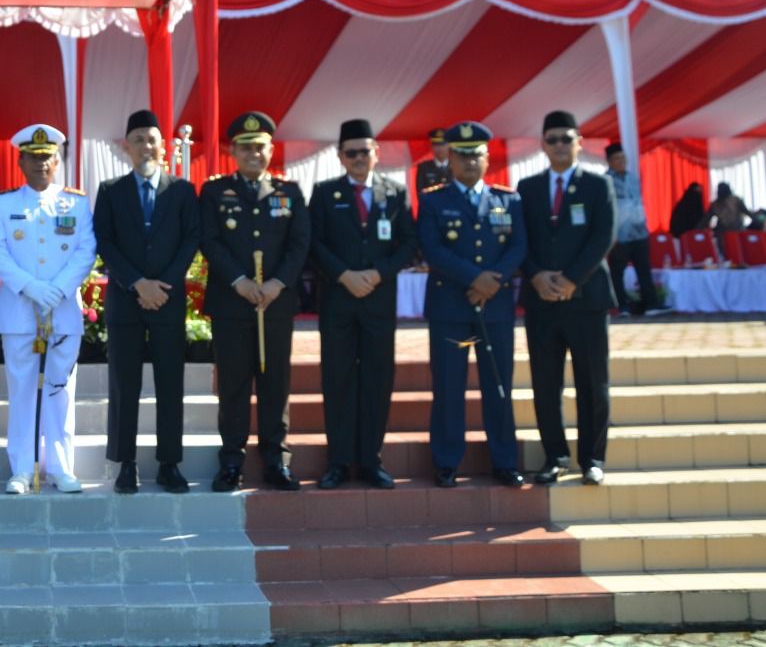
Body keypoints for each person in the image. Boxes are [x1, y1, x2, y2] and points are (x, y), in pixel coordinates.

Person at [199, 112, 311, 493]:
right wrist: (240, 281)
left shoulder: (288, 193)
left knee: (275, 383)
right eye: (245, 147)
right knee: (232, 385)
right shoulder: (214, 192)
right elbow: (210, 240)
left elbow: (300, 244)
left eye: (259, 147)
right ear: (233, 151)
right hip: (232, 304)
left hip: (275, 304)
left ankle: (277, 460)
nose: (253, 153)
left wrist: (278, 283)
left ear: (270, 150)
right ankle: (231, 461)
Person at [0, 123, 96, 494]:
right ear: (21, 161)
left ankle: (61, 467)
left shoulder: (76, 203)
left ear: (57, 161)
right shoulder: (4, 203)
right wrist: (31, 287)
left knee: (60, 390)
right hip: (19, 312)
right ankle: (22, 467)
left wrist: (59, 289)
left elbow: (85, 251)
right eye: (33, 157)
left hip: (62, 312)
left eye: (47, 157)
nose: (41, 164)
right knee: (22, 391)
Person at [307, 119, 418, 490]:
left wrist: (377, 273)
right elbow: (315, 243)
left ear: (376, 153)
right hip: (338, 302)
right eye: (351, 152)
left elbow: (408, 244)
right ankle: (337, 461)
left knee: (376, 380)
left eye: (364, 151)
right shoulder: (324, 193)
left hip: (378, 302)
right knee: (337, 380)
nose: (358, 158)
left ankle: (371, 460)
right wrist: (344, 275)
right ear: (340, 157)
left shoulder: (395, 192)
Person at [93, 110, 199, 494]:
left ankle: (169, 463)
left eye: (152, 139)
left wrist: (163, 285)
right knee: (125, 384)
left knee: (170, 383)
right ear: (127, 146)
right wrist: (138, 283)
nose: (146, 146)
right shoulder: (110, 191)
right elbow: (104, 242)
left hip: (167, 303)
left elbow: (191, 240)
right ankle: (127, 463)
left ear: (163, 145)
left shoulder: (183, 191)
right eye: (138, 139)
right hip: (126, 302)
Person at [416, 121, 526, 488]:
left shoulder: (507, 199)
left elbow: (519, 247)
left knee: (498, 386)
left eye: (476, 154)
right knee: (449, 387)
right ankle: (447, 462)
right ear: (449, 158)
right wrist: (474, 278)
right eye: (461, 155)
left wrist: (491, 281)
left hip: (494, 309)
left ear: (487, 157)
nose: (469, 161)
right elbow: (432, 248)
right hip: (451, 310)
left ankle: (505, 460)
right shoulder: (433, 199)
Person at [518, 111, 617, 486]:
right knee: (546, 383)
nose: (559, 145)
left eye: (566, 138)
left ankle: (592, 458)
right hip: (542, 300)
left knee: (593, 381)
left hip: (586, 299)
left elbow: (603, 236)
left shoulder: (597, 186)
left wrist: (573, 279)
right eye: (552, 138)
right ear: (543, 145)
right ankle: (554, 456)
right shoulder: (526, 188)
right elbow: (518, 240)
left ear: (580, 143)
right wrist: (536, 275)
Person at [604, 143, 666, 317]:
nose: (621, 161)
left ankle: (651, 305)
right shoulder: (605, 181)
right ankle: (621, 306)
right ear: (609, 161)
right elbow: (605, 210)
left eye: (623, 158)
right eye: (617, 159)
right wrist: (610, 235)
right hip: (619, 236)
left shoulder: (633, 178)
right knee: (617, 273)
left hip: (639, 233)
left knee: (644, 270)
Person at [706, 181, 751, 246]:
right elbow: (748, 213)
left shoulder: (715, 204)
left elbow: (705, 220)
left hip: (724, 234)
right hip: (735, 233)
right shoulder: (736, 200)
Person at [413, 128, 450, 197]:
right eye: (436, 145)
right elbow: (421, 193)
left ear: (448, 146)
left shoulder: (456, 166)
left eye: (442, 145)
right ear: (432, 147)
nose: (439, 148)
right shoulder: (423, 168)